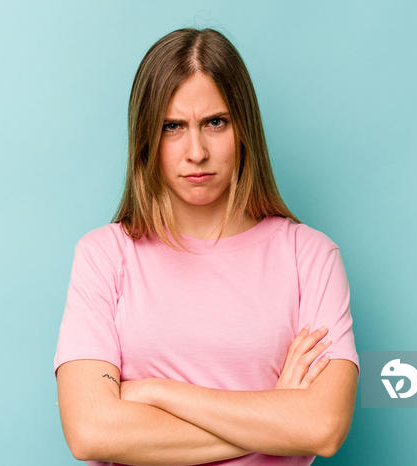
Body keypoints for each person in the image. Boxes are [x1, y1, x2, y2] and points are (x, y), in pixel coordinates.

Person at [54, 28, 359, 465]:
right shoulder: (104, 256)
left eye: (215, 122)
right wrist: (274, 417)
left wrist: (157, 392)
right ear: (146, 138)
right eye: (172, 127)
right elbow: (91, 431)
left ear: (243, 128)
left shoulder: (310, 257)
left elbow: (322, 428)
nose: (195, 151)